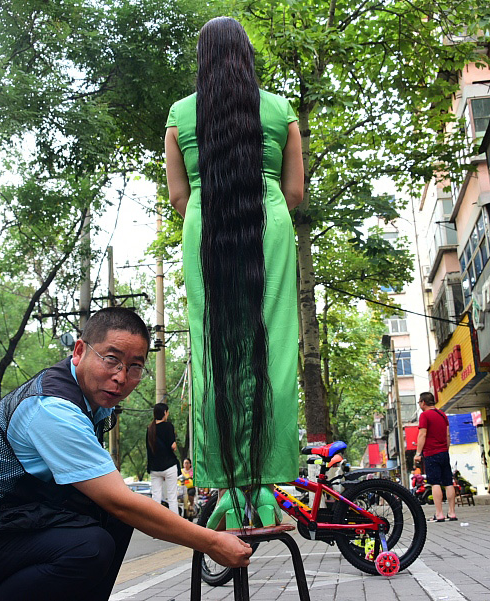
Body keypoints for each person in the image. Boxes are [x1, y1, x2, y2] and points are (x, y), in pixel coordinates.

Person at [0, 307, 251, 600]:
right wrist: (210, 541)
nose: (121, 377)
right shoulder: (52, 408)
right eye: (111, 359)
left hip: (4, 526)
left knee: (112, 524)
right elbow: (120, 500)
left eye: (134, 367)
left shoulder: (91, 406)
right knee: (89, 548)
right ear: (79, 351)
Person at [164, 17, 303, 527]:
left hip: (205, 229)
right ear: (246, 56)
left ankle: (223, 492)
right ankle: (266, 490)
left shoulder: (179, 115)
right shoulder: (279, 110)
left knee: (214, 352)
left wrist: (210, 214)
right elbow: (294, 192)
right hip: (268, 223)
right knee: (273, 350)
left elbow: (179, 197)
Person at [414, 392, 456, 522]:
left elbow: (422, 434)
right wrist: (446, 449)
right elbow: (448, 435)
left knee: (435, 483)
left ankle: (439, 514)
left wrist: (418, 453)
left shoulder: (424, 415)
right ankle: (452, 513)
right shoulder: (442, 414)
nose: (420, 405)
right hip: (444, 452)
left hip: (431, 453)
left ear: (423, 402)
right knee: (448, 482)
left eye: (419, 402)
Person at [146, 402, 179, 515]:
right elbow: (173, 446)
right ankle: (176, 524)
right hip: (169, 466)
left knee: (156, 496)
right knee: (172, 497)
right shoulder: (168, 426)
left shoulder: (149, 429)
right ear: (164, 412)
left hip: (154, 468)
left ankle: (156, 522)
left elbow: (149, 449)